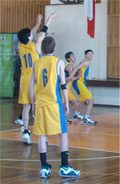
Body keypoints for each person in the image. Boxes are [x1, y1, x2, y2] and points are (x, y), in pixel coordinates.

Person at [29, 36, 80, 178]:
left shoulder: (36, 63)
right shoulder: (59, 62)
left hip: (40, 103)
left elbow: (31, 87)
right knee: (63, 133)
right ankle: (64, 166)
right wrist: (66, 101)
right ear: (54, 48)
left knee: (42, 135)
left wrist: (33, 104)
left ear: (42, 49)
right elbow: (63, 85)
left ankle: (44, 167)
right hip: (54, 103)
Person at [17, 13, 57, 145]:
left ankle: (26, 132)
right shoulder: (36, 45)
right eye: (30, 34)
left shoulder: (20, 46)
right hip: (34, 80)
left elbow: (31, 33)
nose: (32, 34)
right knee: (38, 107)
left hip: (24, 80)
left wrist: (37, 22)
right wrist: (49, 18)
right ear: (29, 37)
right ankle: (42, 135)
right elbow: (42, 33)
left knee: (26, 108)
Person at [76, 49, 97, 125]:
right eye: (89, 54)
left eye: (92, 54)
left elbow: (79, 70)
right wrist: (71, 76)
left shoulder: (85, 62)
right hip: (79, 83)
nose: (91, 55)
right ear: (85, 55)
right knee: (91, 101)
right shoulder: (86, 62)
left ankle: (76, 114)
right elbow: (76, 68)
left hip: (81, 83)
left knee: (82, 100)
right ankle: (87, 118)